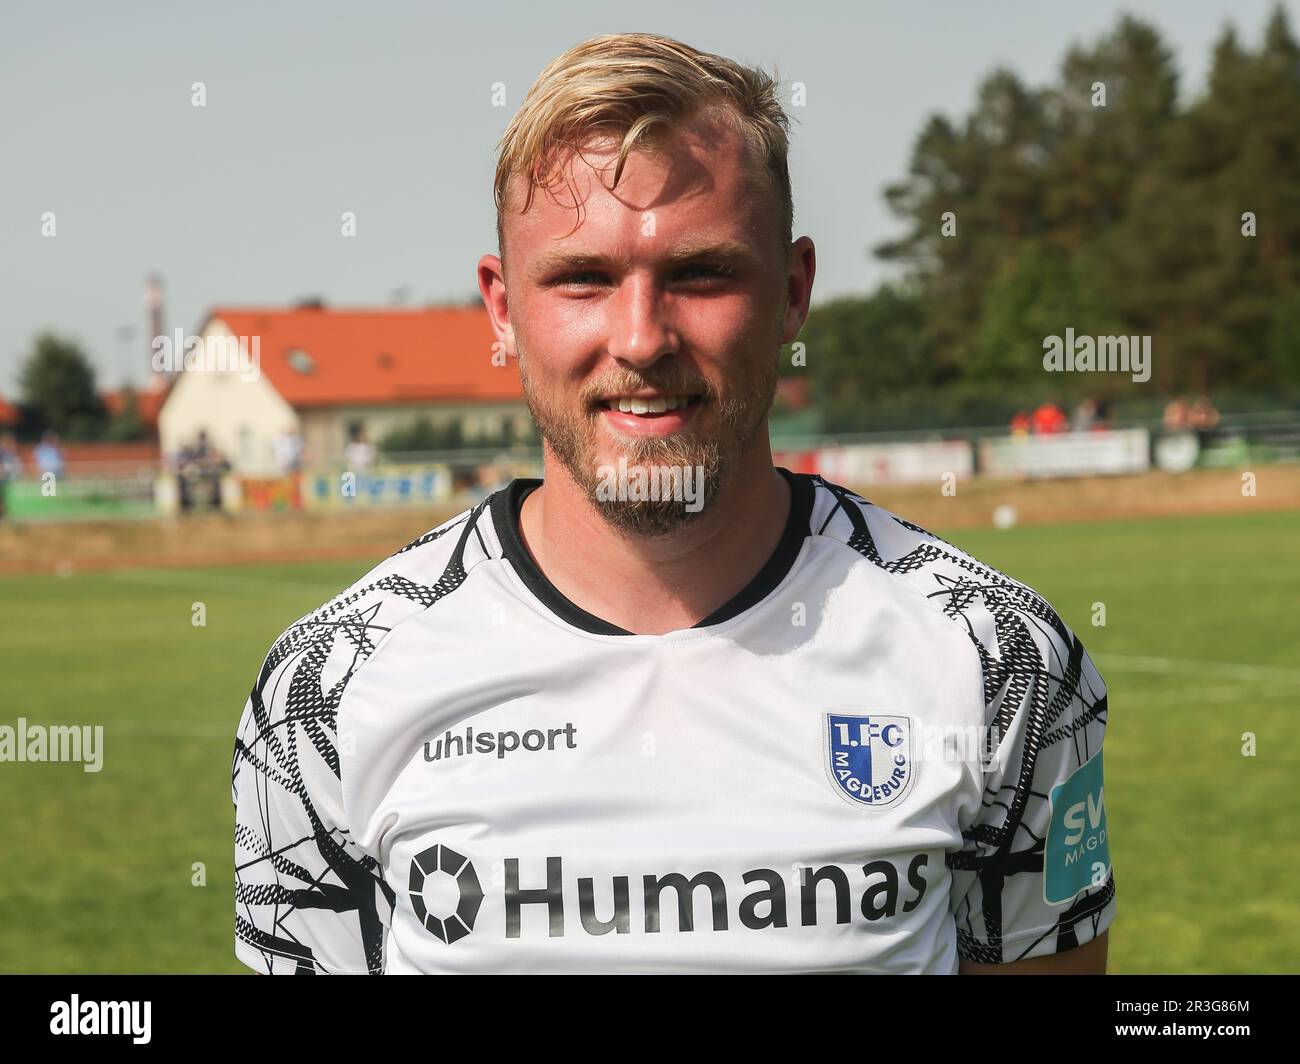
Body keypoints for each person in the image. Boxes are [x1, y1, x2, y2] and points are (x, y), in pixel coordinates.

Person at [232, 33, 1114, 975]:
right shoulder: (324, 694)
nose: (642, 338)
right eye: (583, 278)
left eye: (700, 274)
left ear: (793, 292)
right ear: (501, 308)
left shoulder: (999, 661)